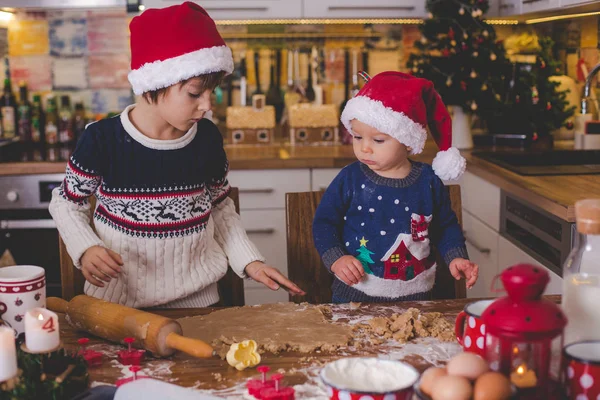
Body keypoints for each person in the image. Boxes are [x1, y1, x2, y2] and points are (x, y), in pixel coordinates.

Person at [50, 2, 304, 308]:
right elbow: (66, 203)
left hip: (200, 306)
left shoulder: (206, 138)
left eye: (212, 93)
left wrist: (250, 261)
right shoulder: (103, 139)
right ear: (153, 85)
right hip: (118, 307)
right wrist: (86, 248)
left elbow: (221, 207)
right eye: (195, 93)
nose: (207, 105)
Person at [312, 71, 478, 303]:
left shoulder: (428, 181)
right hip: (354, 299)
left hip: (417, 300)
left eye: (378, 140)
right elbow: (323, 223)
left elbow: (445, 227)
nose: (365, 148)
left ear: (408, 142)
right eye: (357, 137)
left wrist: (455, 257)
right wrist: (336, 259)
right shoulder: (349, 178)